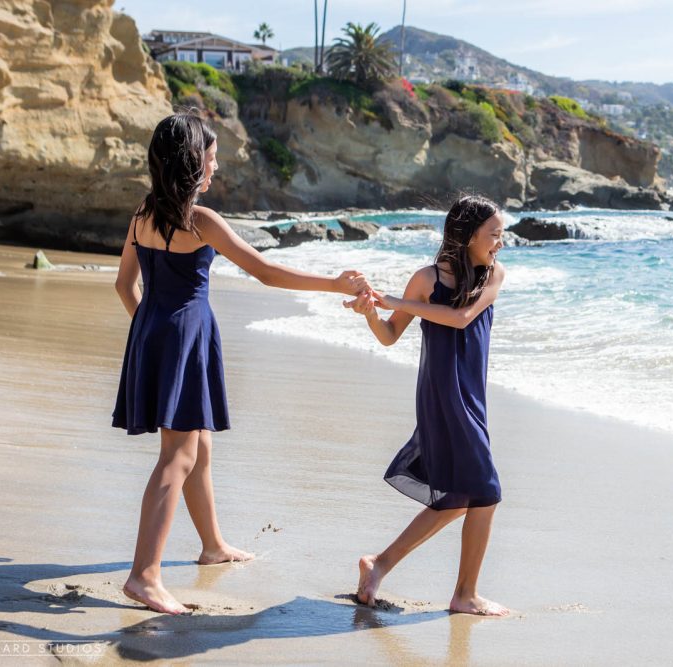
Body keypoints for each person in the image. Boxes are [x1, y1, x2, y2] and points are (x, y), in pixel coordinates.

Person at [112, 112, 368, 614]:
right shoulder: (199, 220)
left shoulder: (143, 214)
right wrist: (334, 284)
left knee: (199, 444)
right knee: (178, 456)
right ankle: (144, 576)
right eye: (211, 158)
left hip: (153, 331)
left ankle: (212, 545)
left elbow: (124, 285)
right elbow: (265, 272)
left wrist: (150, 337)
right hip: (185, 335)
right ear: (191, 162)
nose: (216, 167)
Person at [344, 194, 509, 616]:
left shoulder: (494, 274)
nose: (501, 242)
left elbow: (461, 317)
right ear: (469, 235)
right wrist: (371, 312)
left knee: (459, 497)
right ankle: (465, 595)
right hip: (441, 395)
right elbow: (389, 335)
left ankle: (378, 565)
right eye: (494, 234)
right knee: (486, 492)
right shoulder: (425, 279)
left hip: (471, 395)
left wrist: (395, 301)